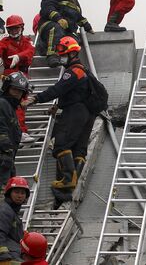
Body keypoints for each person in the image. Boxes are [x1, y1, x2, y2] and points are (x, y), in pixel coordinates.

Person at [23, 37, 95, 198]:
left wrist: (35, 99)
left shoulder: (74, 71)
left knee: (62, 144)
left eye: (62, 52)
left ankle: (67, 179)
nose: (60, 55)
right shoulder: (83, 71)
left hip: (76, 112)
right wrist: (59, 106)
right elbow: (76, 93)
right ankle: (72, 181)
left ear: (71, 53)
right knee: (78, 148)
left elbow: (58, 89)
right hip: (87, 114)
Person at [37, 0, 94, 68]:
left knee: (74, 39)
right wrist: (58, 18)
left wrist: (87, 26)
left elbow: (78, 16)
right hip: (49, 26)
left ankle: (70, 62)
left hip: (67, 30)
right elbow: (47, 8)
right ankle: (52, 56)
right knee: (56, 29)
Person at [0, 16, 35, 143]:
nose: (14, 31)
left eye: (16, 28)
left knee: (20, 105)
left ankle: (20, 131)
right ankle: (21, 132)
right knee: (15, 105)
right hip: (9, 75)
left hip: (22, 75)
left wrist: (19, 56)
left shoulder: (27, 41)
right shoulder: (5, 42)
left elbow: (30, 51)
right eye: (11, 29)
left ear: (22, 28)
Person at [0, 72, 30, 188]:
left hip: (7, 158)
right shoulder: (2, 104)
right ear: (7, 88)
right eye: (14, 89)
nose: (17, 93)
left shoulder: (10, 107)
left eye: (20, 91)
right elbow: (1, 129)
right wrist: (6, 151)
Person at [0, 176, 28, 263]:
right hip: (9, 255)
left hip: (14, 252)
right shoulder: (5, 210)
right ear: (9, 193)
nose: (20, 196)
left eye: (23, 193)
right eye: (16, 192)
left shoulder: (11, 210)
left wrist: (23, 235)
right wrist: (3, 256)